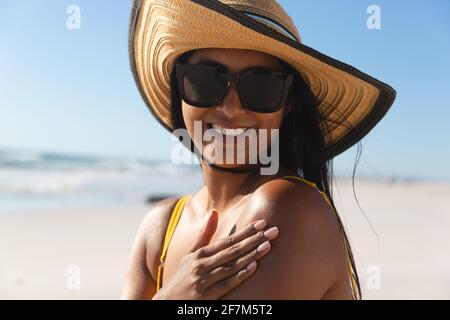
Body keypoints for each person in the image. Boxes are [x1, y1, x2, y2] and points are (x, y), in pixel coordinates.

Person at [122, 0, 396, 300]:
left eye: (261, 87)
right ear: (180, 90)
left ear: (288, 103)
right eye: (205, 81)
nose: (230, 107)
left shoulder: (287, 208)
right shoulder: (159, 227)